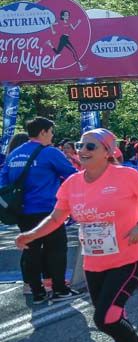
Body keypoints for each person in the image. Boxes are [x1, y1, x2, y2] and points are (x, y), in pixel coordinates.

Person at [15, 128, 138, 342]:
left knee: (104, 318)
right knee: (110, 317)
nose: (82, 151)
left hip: (129, 258)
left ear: (107, 152)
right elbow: (56, 218)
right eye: (80, 145)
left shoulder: (126, 176)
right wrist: (29, 236)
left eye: (90, 147)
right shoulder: (71, 184)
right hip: (95, 262)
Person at [0, 117, 79, 303]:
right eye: (51, 132)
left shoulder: (14, 154)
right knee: (56, 249)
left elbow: (3, 181)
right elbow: (72, 176)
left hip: (22, 211)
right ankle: (59, 289)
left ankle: (37, 292)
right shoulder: (49, 152)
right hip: (48, 211)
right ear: (43, 132)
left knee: (30, 251)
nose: (52, 136)